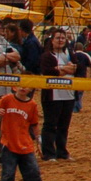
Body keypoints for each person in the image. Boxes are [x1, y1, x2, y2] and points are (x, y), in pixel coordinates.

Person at [0, 82, 47, 181]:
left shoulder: (32, 104)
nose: (23, 87)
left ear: (31, 89)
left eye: (26, 85)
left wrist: (38, 142)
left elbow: (35, 124)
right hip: (9, 143)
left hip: (25, 144)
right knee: (8, 172)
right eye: (21, 85)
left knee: (33, 170)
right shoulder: (7, 99)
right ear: (14, 87)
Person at [38, 29, 78, 162]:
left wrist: (61, 69)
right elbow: (49, 72)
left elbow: (76, 69)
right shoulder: (47, 56)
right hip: (52, 95)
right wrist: (64, 69)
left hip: (68, 94)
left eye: (63, 38)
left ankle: (62, 152)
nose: (61, 40)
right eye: (58, 38)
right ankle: (49, 153)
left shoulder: (70, 54)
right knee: (50, 125)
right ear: (52, 40)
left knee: (63, 126)